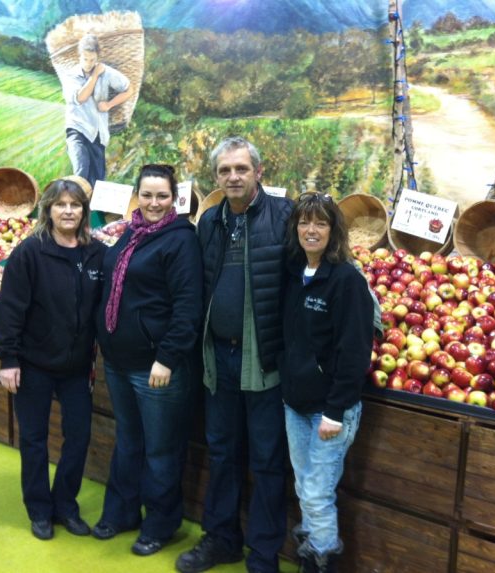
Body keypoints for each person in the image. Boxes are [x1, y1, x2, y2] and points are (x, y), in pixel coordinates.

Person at [176, 136, 293, 573]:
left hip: (263, 363)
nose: (233, 177)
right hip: (218, 360)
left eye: (241, 168)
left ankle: (263, 555)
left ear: (258, 172)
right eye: (225, 170)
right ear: (216, 176)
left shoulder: (285, 217)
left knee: (266, 460)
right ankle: (221, 538)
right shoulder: (210, 222)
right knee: (222, 452)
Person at [93, 164, 203, 556]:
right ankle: (122, 512)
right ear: (136, 195)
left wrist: (167, 357)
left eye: (162, 196)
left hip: (156, 368)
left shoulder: (180, 241)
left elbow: (189, 307)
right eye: (147, 194)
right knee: (128, 441)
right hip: (118, 362)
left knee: (161, 450)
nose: (154, 203)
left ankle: (160, 523)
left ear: (175, 199)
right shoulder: (130, 234)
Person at [0, 179, 105, 541]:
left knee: (78, 437)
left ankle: (65, 506)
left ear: (85, 212)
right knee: (34, 439)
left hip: (76, 368)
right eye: (61, 205)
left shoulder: (96, 254)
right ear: (49, 210)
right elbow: (9, 309)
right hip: (33, 364)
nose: (68, 211)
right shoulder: (30, 253)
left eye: (75, 205)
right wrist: (8, 358)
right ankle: (39, 509)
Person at [280, 193, 375, 573]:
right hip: (295, 404)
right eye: (305, 222)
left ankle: (321, 564)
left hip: (330, 411)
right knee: (305, 487)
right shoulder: (294, 273)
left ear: (334, 230)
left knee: (318, 493)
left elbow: (355, 352)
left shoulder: (347, 280)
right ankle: (311, 553)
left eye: (320, 223)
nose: (311, 230)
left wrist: (335, 410)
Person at [61, 33, 134, 187]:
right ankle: (77, 208)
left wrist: (109, 105)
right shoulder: (71, 75)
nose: (88, 63)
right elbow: (81, 98)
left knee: (98, 182)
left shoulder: (106, 72)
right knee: (81, 171)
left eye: (92, 60)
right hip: (77, 129)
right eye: (85, 59)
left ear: (98, 58)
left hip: (98, 134)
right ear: (79, 56)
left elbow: (129, 89)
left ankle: (93, 211)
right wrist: (94, 76)